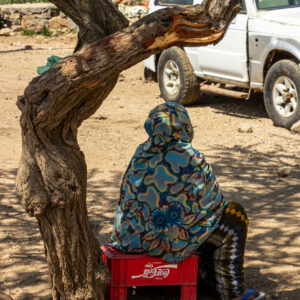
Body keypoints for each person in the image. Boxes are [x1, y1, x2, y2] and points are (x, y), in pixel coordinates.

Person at [110, 102, 265, 300]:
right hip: (171, 241)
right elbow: (214, 204)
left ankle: (196, 277)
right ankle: (231, 291)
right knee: (233, 218)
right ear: (186, 127)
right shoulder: (191, 158)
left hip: (131, 239)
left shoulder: (140, 155)